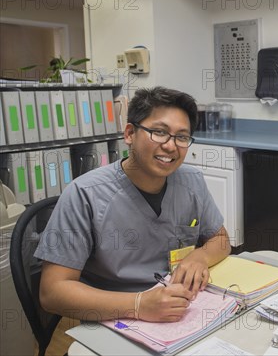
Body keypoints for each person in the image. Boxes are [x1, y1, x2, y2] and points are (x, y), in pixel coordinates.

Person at [35, 86, 231, 323]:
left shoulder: (191, 182)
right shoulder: (85, 194)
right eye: (159, 132)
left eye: (181, 137)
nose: (171, 146)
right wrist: (138, 305)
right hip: (116, 318)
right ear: (129, 134)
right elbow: (52, 293)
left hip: (182, 309)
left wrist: (199, 257)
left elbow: (220, 240)